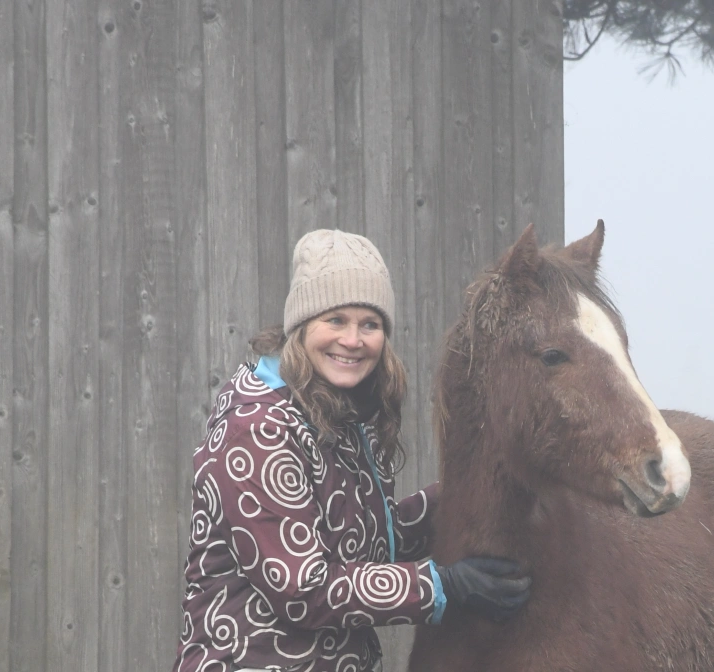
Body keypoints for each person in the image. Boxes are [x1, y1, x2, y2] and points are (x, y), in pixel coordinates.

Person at [172, 229, 531, 672]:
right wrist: (441, 585)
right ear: (301, 326)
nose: (354, 340)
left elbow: (368, 543)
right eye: (336, 319)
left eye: (370, 324)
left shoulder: (331, 414)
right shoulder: (258, 429)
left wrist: (475, 484)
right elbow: (303, 590)